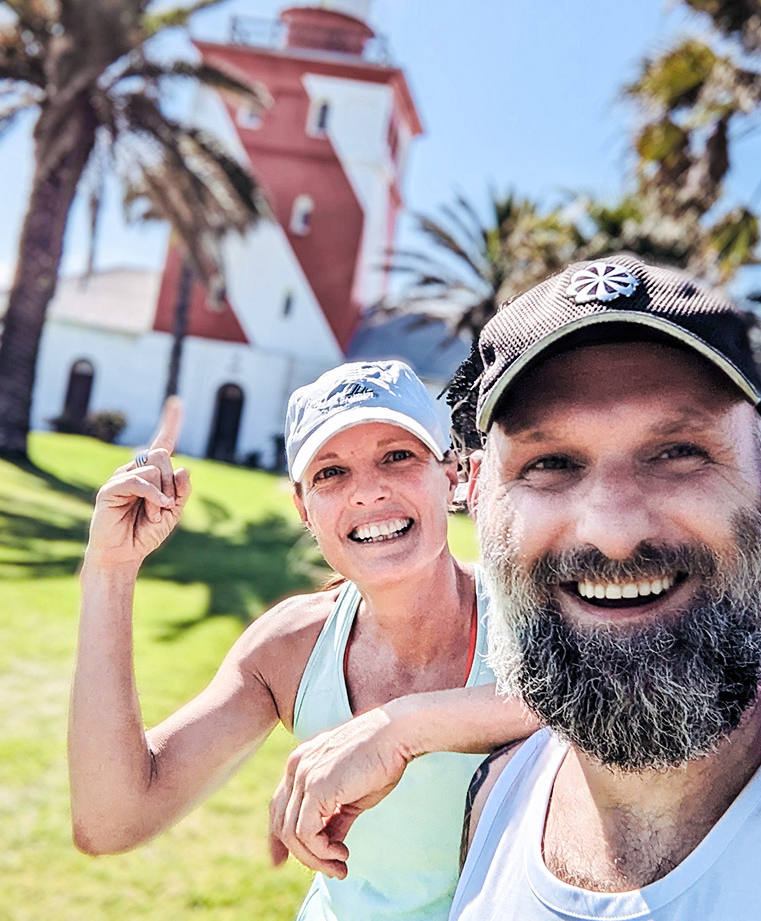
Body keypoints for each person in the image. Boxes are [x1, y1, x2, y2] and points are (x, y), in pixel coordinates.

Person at [445, 256, 761, 920]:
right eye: (549, 463)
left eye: (679, 452)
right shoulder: (495, 795)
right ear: (480, 495)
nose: (614, 533)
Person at [69, 359, 534, 921]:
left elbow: (621, 700)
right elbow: (112, 819)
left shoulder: (537, 615)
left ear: (455, 475)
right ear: (303, 510)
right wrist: (110, 570)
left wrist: (401, 730)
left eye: (397, 455)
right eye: (330, 473)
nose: (367, 492)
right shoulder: (290, 648)